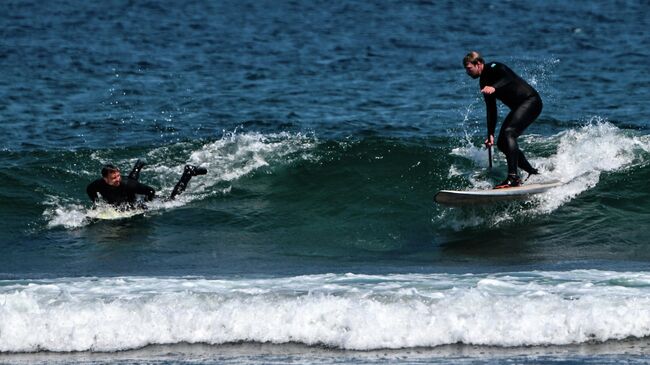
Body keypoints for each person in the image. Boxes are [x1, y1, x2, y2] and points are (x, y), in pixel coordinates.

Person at [463, 51, 542, 188]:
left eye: (469, 68)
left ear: (479, 64)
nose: (467, 72)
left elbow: (509, 78)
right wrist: (490, 134)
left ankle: (513, 178)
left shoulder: (496, 67)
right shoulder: (483, 83)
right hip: (520, 107)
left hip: (531, 101)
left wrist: (494, 87)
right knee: (501, 143)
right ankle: (532, 172)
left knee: (508, 133)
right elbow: (491, 110)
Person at [87, 160, 207, 208]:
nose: (117, 179)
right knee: (131, 184)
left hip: (138, 197)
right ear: (105, 179)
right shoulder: (98, 184)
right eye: (114, 178)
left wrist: (148, 204)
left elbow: (151, 191)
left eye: (118, 176)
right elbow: (89, 190)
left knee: (173, 199)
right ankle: (138, 165)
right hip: (128, 193)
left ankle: (188, 173)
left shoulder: (126, 183)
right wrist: (97, 203)